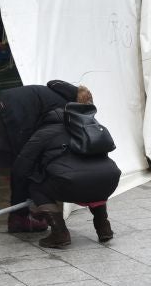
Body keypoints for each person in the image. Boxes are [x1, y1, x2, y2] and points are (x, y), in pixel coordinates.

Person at [0, 79, 88, 232]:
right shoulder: (63, 108)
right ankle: (19, 218)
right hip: (4, 117)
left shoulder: (55, 93)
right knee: (26, 165)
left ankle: (25, 213)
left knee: (23, 165)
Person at [11, 94, 120, 248]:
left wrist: (19, 192)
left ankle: (59, 233)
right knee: (94, 178)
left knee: (36, 186)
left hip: (72, 182)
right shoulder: (93, 127)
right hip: (110, 179)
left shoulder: (45, 132)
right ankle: (104, 228)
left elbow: (21, 166)